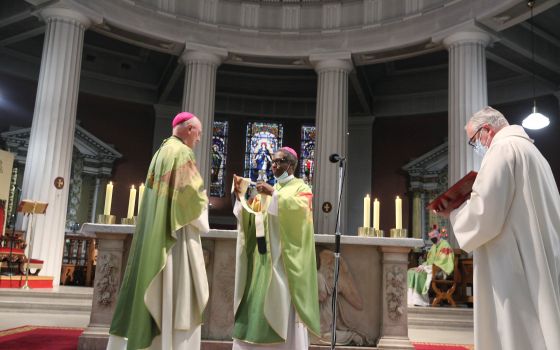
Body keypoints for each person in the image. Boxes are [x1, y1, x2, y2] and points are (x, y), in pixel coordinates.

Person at [434, 106, 560, 349]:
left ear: (487, 130)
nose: (476, 146)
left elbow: (485, 213)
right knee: (541, 320)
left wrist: (454, 212)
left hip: (513, 259)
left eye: (473, 140)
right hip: (538, 252)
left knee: (516, 326)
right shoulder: (534, 152)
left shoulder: (501, 149)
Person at [107, 112, 209, 350]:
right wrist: (204, 206)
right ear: (190, 129)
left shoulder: (161, 152)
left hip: (156, 230)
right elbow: (191, 198)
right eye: (199, 133)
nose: (199, 139)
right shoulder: (182, 153)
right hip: (174, 235)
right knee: (178, 292)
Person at [232, 147, 320, 350]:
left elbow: (300, 213)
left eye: (279, 161)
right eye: (273, 161)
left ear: (291, 165)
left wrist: (272, 194)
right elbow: (253, 216)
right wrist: (240, 196)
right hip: (264, 260)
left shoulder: (301, 188)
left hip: (284, 262)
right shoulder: (274, 189)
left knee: (282, 307)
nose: (274, 165)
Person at [406, 225, 454, 306]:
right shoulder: (433, 247)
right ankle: (411, 299)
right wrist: (422, 266)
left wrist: (425, 267)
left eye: (434, 234)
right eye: (430, 236)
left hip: (440, 271)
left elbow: (442, 261)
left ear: (439, 234)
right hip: (431, 268)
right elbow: (429, 261)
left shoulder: (445, 245)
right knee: (411, 271)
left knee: (419, 274)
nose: (432, 237)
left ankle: (421, 300)